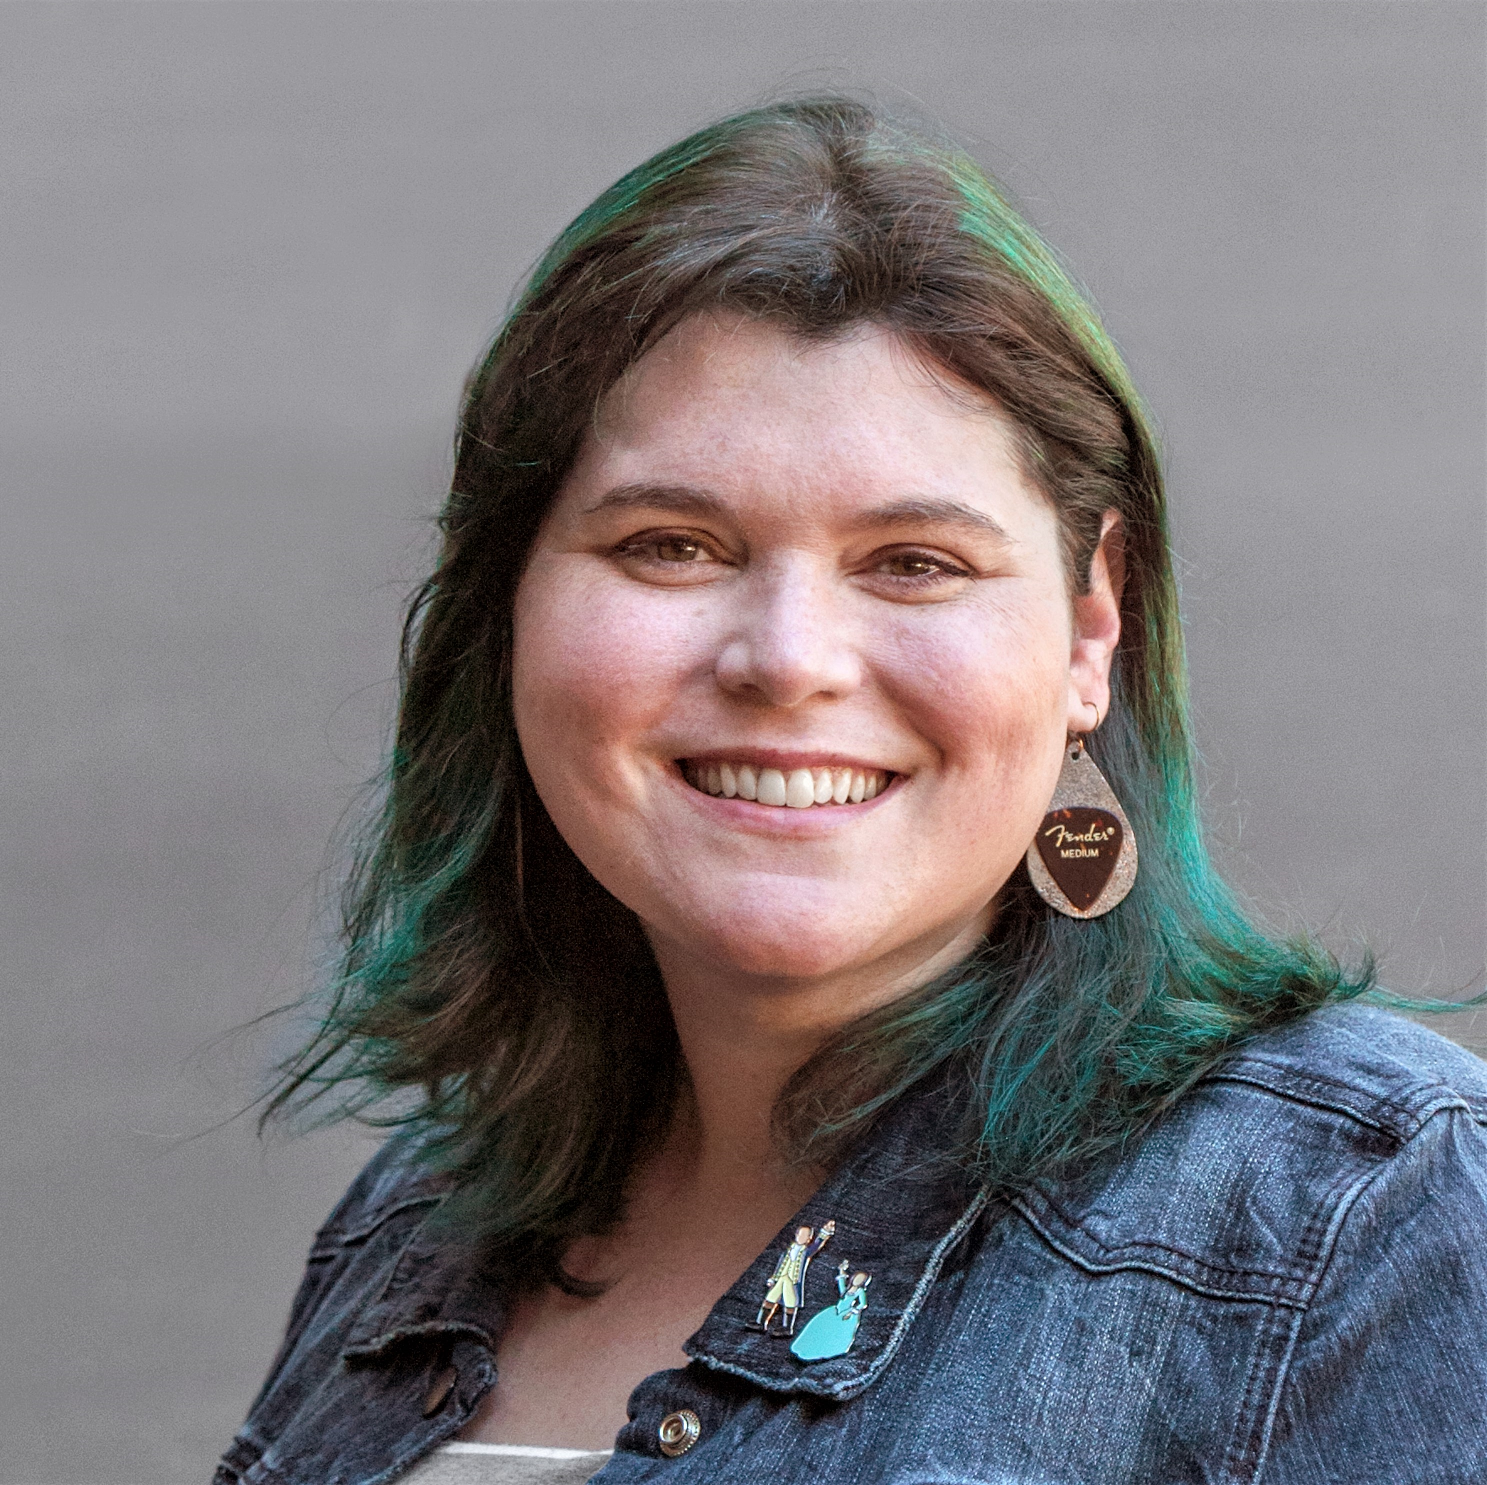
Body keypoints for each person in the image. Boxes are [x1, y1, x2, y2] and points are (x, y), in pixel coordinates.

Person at [214, 97, 1487, 1485]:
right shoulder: (418, 1223)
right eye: (671, 546)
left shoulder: (1362, 1215)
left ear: (1088, 630)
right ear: (507, 604)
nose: (787, 661)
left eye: (913, 562)